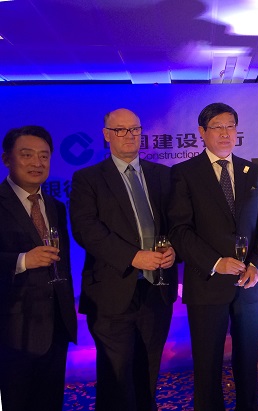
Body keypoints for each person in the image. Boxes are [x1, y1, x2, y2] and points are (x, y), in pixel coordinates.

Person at [168, 102, 258, 411]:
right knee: (207, 367)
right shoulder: (184, 174)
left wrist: (257, 265)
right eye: (217, 127)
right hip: (207, 284)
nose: (226, 133)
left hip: (248, 284)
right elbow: (180, 230)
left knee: (248, 365)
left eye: (231, 126)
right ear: (202, 132)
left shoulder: (253, 172)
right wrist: (216, 262)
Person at [69, 108, 178, 411]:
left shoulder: (163, 175)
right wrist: (133, 257)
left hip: (157, 290)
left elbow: (178, 224)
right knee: (116, 378)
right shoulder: (88, 178)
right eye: (120, 130)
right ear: (107, 135)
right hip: (111, 292)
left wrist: (175, 250)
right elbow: (86, 230)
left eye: (135, 129)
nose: (129, 135)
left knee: (148, 373)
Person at [0, 126, 77, 411]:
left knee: (50, 401)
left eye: (44, 156)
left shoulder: (55, 205)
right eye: (27, 155)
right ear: (7, 159)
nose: (37, 163)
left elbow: (63, 264)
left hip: (55, 326)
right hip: (12, 330)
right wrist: (22, 260)